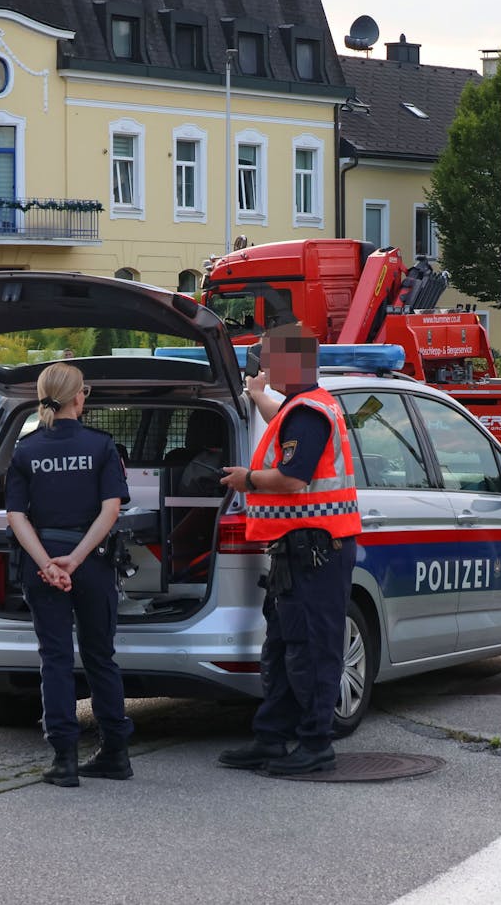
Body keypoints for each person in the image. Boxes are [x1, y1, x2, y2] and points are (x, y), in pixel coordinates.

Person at [217, 325, 360, 776]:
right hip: (299, 551)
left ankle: (316, 744)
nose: (261, 365)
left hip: (314, 551)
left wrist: (248, 480)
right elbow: (282, 417)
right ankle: (272, 739)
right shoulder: (301, 407)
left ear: (290, 363)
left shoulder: (308, 413)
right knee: (280, 647)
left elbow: (294, 478)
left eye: (266, 359)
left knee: (311, 650)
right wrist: (257, 395)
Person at [6, 362, 134, 788]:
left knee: (55, 659)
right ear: (79, 398)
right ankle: (115, 752)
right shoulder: (100, 446)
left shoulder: (26, 451)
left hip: (43, 567)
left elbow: (16, 517)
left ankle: (64, 760)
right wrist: (77, 559)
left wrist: (46, 563)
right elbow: (111, 510)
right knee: (100, 657)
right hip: (92, 562)